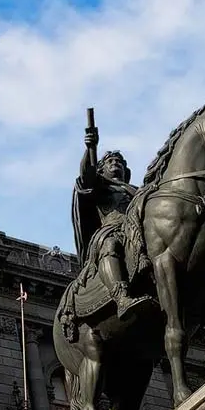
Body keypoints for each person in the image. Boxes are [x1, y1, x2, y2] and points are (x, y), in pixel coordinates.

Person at [71, 126, 149, 319]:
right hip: (112, 230)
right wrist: (91, 148)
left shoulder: (138, 191)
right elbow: (86, 176)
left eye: (119, 162)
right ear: (102, 169)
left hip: (140, 232)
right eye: (110, 161)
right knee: (110, 245)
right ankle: (121, 297)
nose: (116, 163)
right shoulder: (102, 187)